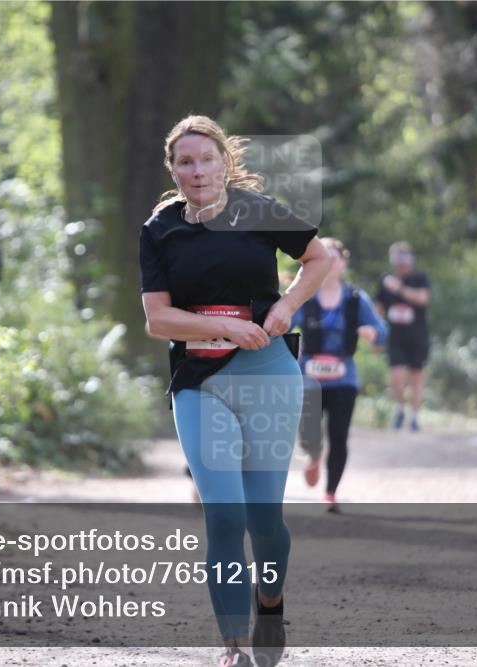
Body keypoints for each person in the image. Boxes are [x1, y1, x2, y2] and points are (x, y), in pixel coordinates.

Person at [139, 115, 331, 667]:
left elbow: (319, 259)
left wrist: (286, 306)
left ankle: (269, 604)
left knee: (263, 519)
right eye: (185, 162)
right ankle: (234, 644)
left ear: (225, 161)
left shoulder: (258, 210)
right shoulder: (159, 229)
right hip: (199, 382)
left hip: (267, 372)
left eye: (206, 159)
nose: (196, 171)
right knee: (224, 514)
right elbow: (158, 319)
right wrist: (222, 329)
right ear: (172, 170)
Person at [291, 238, 388, 513]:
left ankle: (331, 492)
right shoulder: (305, 297)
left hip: (344, 378)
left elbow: (382, 331)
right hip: (308, 377)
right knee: (308, 432)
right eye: (325, 257)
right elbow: (282, 322)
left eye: (335, 258)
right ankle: (312, 456)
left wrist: (373, 334)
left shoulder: (356, 300)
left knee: (339, 435)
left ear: (344, 263)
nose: (330, 264)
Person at [374, 242, 431, 432]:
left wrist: (399, 289)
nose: (402, 263)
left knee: (416, 376)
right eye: (398, 259)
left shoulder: (419, 278)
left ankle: (415, 416)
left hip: (417, 336)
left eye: (405, 258)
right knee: (396, 376)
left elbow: (423, 298)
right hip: (395, 337)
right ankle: (400, 408)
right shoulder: (385, 280)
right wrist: (376, 334)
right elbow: (378, 309)